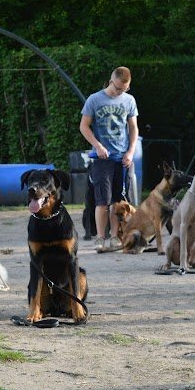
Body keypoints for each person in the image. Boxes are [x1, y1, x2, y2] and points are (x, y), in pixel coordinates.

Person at [79, 66, 138, 252]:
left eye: (125, 88)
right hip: (101, 159)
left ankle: (114, 237)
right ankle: (99, 237)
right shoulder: (94, 99)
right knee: (102, 201)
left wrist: (130, 152)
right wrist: (97, 146)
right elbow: (84, 126)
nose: (121, 91)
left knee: (118, 202)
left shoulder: (129, 100)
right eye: (119, 88)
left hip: (122, 159)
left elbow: (133, 128)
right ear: (111, 81)